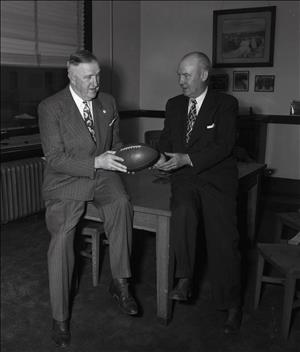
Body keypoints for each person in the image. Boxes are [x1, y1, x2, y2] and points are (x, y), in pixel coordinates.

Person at [38, 49, 139, 348]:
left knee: (121, 203)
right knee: (61, 240)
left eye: (97, 75)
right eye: (87, 77)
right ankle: (60, 318)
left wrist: (129, 160)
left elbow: (116, 144)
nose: (95, 83)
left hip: (103, 176)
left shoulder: (107, 102)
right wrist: (97, 162)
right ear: (70, 76)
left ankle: (120, 282)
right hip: (66, 179)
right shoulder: (50, 107)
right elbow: (54, 158)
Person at [153, 52, 242, 334]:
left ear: (204, 75)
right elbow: (167, 139)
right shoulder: (174, 105)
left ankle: (230, 305)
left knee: (223, 242)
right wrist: (159, 158)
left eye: (186, 75)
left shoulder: (226, 104)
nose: (180, 81)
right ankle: (185, 277)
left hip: (216, 179)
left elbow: (224, 145)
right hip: (185, 180)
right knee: (182, 213)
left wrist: (186, 158)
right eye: (179, 74)